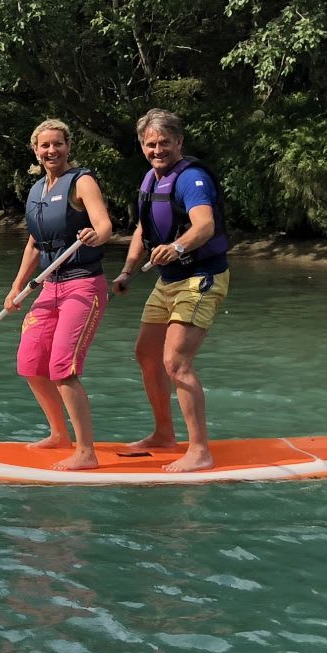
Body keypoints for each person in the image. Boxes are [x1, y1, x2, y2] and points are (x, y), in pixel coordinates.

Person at [112, 108, 230, 473]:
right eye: (151, 144)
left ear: (179, 142)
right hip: (168, 281)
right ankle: (164, 434)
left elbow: (205, 226)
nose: (158, 149)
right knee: (146, 355)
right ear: (142, 146)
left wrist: (178, 247)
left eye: (165, 142)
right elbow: (141, 231)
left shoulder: (191, 179)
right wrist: (128, 270)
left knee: (175, 363)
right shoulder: (149, 180)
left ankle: (200, 450)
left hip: (201, 278)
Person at [6, 119, 116, 470]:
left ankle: (87, 451)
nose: (51, 151)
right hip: (49, 286)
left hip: (83, 285)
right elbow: (35, 244)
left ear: (68, 146)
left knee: (62, 367)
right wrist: (17, 286)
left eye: (58, 144)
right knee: (30, 361)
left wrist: (93, 235)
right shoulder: (36, 190)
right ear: (35, 150)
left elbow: (105, 226)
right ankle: (59, 434)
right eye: (44, 146)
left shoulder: (81, 182)